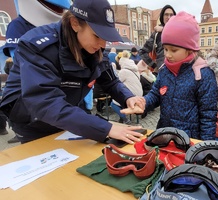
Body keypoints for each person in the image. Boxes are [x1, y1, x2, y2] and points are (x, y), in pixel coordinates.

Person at [0, 0, 145, 144]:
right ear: (75, 23)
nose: (102, 44)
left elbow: (111, 81)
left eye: (105, 37)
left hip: (68, 114)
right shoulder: (36, 45)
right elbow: (45, 102)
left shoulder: (94, 47)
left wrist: (128, 98)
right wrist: (106, 128)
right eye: (97, 36)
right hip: (31, 121)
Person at [123, 12, 218, 140]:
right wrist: (143, 103)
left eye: (173, 50)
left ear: (190, 49)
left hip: (189, 140)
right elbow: (155, 94)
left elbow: (208, 115)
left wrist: (204, 146)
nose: (168, 55)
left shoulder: (203, 74)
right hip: (165, 134)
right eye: (166, 49)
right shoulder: (164, 70)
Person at [2, 0, 71, 143]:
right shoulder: (18, 26)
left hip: (59, 100)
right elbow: (23, 63)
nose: (58, 10)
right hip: (32, 103)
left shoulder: (62, 28)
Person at [139, 5, 176, 74]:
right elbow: (142, 52)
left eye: (171, 15)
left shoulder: (180, 31)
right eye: (166, 15)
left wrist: (164, 29)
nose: (169, 17)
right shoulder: (157, 34)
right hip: (163, 72)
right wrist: (154, 66)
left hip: (178, 72)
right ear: (162, 16)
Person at [110, 50, 143, 124]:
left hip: (131, 94)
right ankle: (122, 118)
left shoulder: (123, 71)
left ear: (121, 62)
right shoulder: (135, 69)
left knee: (113, 103)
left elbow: (117, 83)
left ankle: (125, 119)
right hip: (139, 93)